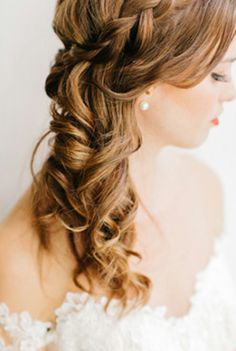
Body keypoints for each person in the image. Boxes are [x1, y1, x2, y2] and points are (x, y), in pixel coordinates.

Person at [1, 0, 236, 350]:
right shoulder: (23, 255)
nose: (231, 93)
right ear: (145, 81)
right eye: (217, 74)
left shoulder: (206, 189)